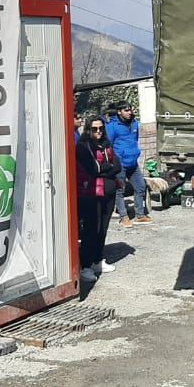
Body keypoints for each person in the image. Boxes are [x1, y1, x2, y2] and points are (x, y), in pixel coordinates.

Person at [76, 115, 121, 284]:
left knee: (103, 229)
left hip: (109, 193)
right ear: (88, 129)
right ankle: (86, 266)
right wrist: (107, 168)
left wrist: (106, 168)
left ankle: (97, 260)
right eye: (94, 129)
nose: (98, 132)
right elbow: (93, 169)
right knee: (91, 230)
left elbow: (117, 166)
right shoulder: (82, 147)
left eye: (101, 128)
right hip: (91, 194)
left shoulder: (106, 145)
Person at [107, 100, 151, 226]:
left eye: (130, 109)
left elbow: (135, 140)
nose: (129, 112)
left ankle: (140, 215)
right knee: (120, 190)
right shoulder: (113, 126)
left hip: (133, 162)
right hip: (120, 163)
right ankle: (124, 217)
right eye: (126, 110)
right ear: (119, 112)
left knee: (140, 186)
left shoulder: (135, 124)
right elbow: (108, 144)